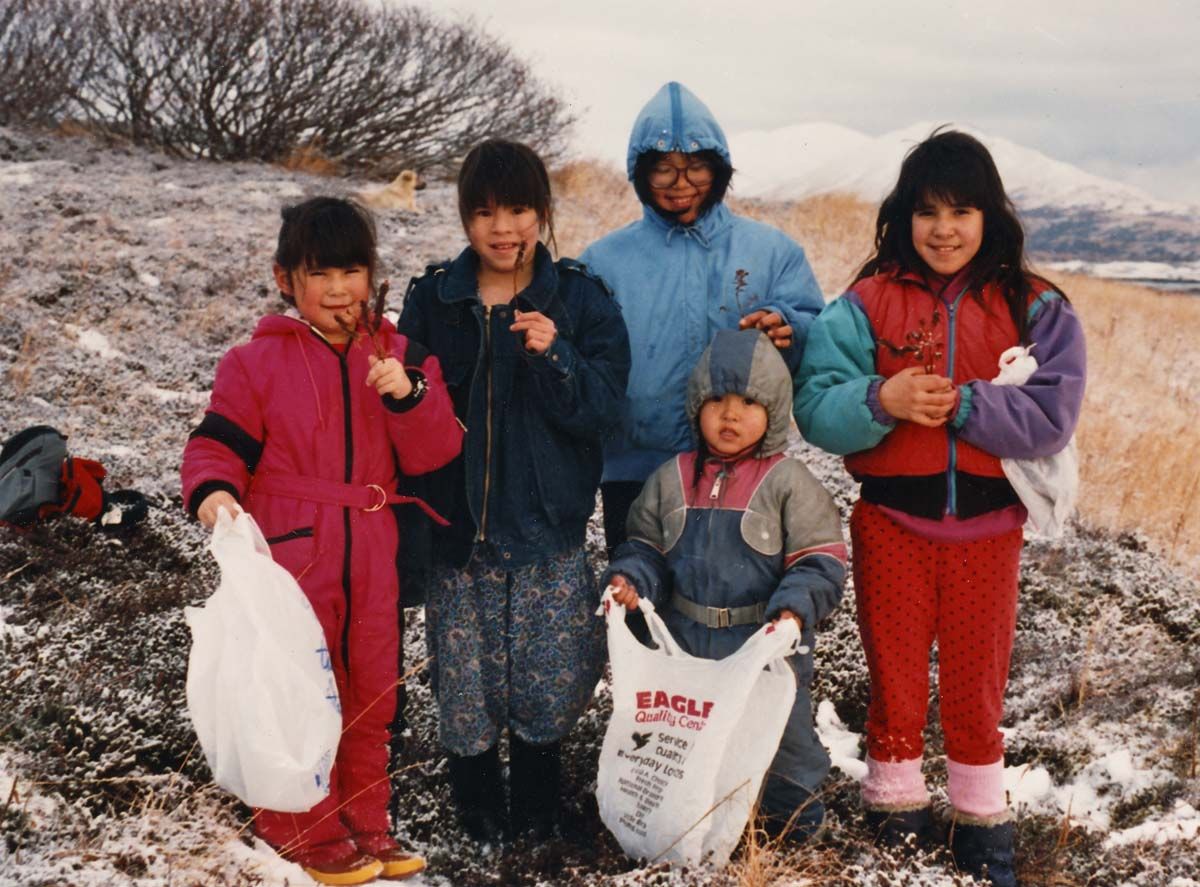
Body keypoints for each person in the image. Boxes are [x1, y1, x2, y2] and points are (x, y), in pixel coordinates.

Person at [794, 129, 1086, 887]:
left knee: (975, 680)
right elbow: (817, 405)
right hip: (890, 521)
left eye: (962, 209)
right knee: (893, 675)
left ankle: (980, 825)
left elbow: (1053, 415)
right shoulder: (866, 301)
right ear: (903, 216)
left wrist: (964, 406)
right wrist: (880, 398)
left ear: (991, 215)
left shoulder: (1036, 305)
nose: (944, 228)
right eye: (927, 211)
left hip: (990, 530)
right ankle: (894, 812)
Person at [181, 197, 463, 886]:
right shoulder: (254, 362)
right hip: (290, 549)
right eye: (319, 274)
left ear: (372, 275)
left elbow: (437, 451)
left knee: (372, 689)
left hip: (375, 547)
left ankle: (365, 818)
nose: (338, 289)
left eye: (352, 271)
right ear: (286, 278)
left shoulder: (398, 353)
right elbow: (217, 445)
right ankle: (296, 823)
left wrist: (409, 395)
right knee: (299, 684)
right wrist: (214, 493)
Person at [395, 139, 631, 844]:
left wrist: (556, 354)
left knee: (546, 682)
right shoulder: (434, 297)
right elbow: (407, 413)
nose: (504, 227)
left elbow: (607, 409)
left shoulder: (582, 298)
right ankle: (473, 804)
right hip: (457, 534)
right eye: (485, 211)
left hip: (548, 531)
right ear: (465, 217)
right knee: (464, 686)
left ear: (544, 211)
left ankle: (535, 801)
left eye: (521, 208)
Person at [604, 327, 847, 842]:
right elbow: (644, 546)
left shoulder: (789, 483)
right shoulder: (671, 476)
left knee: (784, 739)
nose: (730, 415)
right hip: (684, 644)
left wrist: (793, 611)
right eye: (716, 400)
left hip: (764, 645)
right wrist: (629, 580)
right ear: (696, 406)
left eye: (748, 402)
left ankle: (791, 832)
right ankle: (689, 828)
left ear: (775, 409)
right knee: (685, 741)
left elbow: (819, 561)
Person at [579, 81, 827, 557]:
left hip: (747, 472)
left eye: (695, 168)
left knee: (736, 612)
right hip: (637, 472)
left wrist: (787, 327)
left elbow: (816, 330)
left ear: (719, 167)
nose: (680, 186)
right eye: (663, 172)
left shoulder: (771, 252)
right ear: (639, 174)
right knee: (640, 608)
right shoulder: (604, 262)